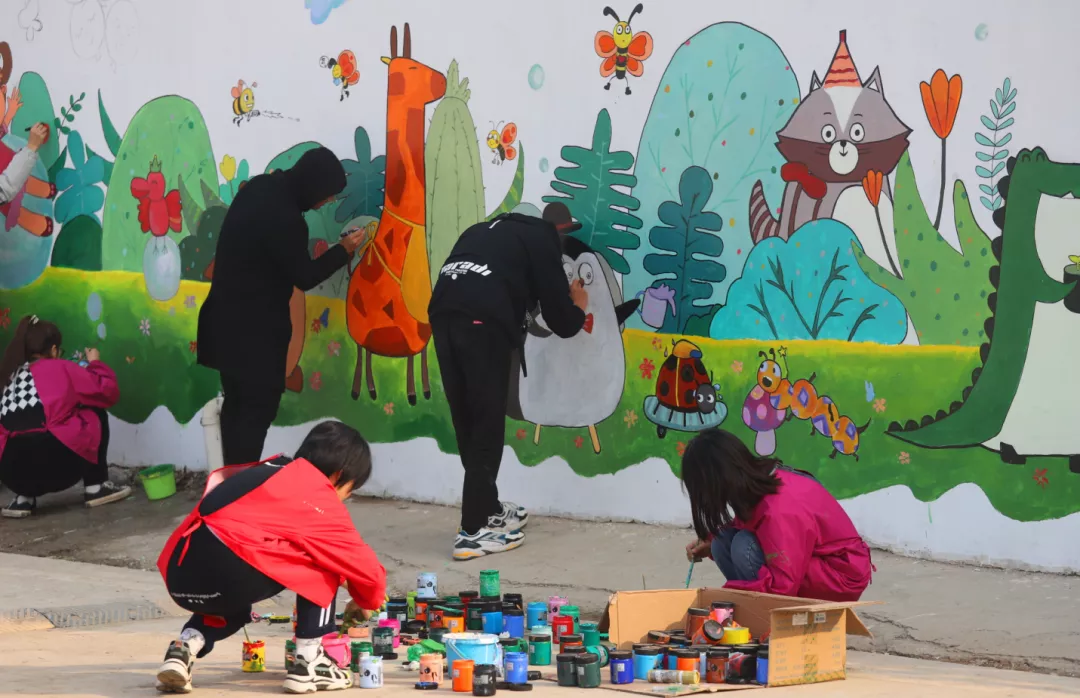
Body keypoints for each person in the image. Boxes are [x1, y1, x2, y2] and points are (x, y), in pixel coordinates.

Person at [155, 420, 386, 694]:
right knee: (324, 559)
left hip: (180, 575)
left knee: (232, 607)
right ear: (339, 475)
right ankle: (309, 663)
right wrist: (365, 599)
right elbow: (364, 567)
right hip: (229, 569)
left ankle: (183, 649)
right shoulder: (313, 490)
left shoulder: (268, 471)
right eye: (349, 490)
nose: (345, 498)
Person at [428, 207, 589, 560]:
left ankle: (487, 508)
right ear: (555, 233)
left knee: (468, 419)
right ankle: (472, 533)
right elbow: (562, 321)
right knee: (486, 422)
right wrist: (579, 306)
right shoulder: (542, 239)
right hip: (482, 322)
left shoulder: (481, 231)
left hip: (442, 314)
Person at [197, 147, 368, 466]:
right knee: (254, 416)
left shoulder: (260, 188)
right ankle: (242, 487)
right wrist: (343, 250)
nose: (328, 202)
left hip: (223, 326)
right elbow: (304, 276)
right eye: (328, 195)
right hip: (253, 338)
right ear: (314, 187)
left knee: (237, 411)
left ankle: (231, 484)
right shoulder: (286, 218)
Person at [681, 428, 873, 601]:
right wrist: (710, 541)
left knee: (744, 545)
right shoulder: (757, 484)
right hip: (814, 564)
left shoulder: (779, 509)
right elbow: (750, 523)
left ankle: (761, 613)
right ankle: (751, 606)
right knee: (721, 541)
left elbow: (783, 587)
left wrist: (727, 595)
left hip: (840, 578)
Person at [0, 315, 129, 518]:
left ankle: (23, 499)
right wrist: (95, 363)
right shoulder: (61, 367)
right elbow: (107, 392)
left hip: (12, 475)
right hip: (58, 468)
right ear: (53, 350)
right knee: (94, 410)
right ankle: (95, 487)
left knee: (17, 431)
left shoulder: (8, 376)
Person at [0, 80, 55, 237]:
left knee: (24, 177)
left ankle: (42, 189)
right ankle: (34, 222)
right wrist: (31, 148)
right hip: (7, 185)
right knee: (12, 207)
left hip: (9, 161)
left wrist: (10, 112)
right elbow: (4, 190)